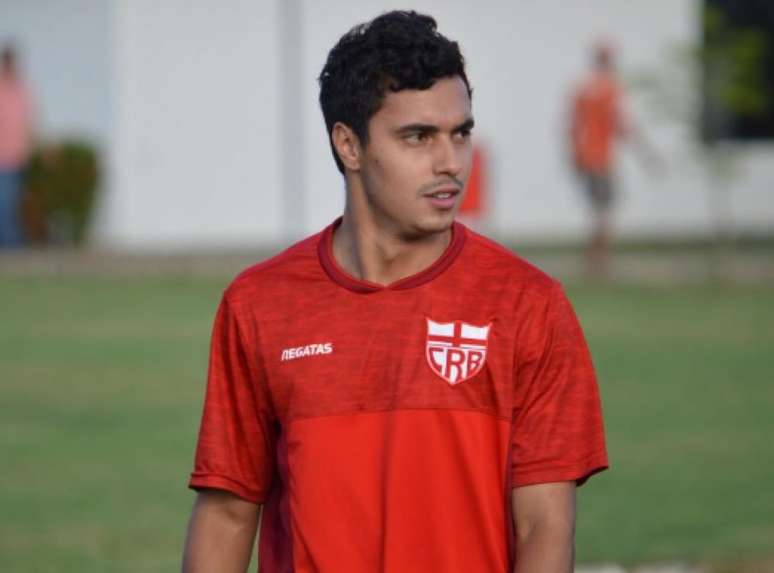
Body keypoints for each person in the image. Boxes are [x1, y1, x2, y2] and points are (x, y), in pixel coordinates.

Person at [182, 11, 607, 573]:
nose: (450, 162)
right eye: (418, 137)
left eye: (460, 133)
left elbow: (544, 525)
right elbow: (227, 515)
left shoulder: (528, 305)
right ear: (349, 145)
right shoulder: (259, 304)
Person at [569, 40, 627, 280]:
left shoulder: (584, 88)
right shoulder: (610, 89)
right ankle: (599, 265)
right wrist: (649, 155)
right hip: (601, 160)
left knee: (597, 211)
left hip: (587, 158)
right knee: (603, 213)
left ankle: (594, 264)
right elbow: (621, 124)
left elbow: (572, 127)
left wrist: (575, 157)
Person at [0, 45, 34, 248]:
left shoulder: (22, 90)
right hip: (1, 156)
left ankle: (12, 247)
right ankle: (11, 246)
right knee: (4, 203)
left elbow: (30, 121)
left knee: (11, 204)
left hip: (18, 157)